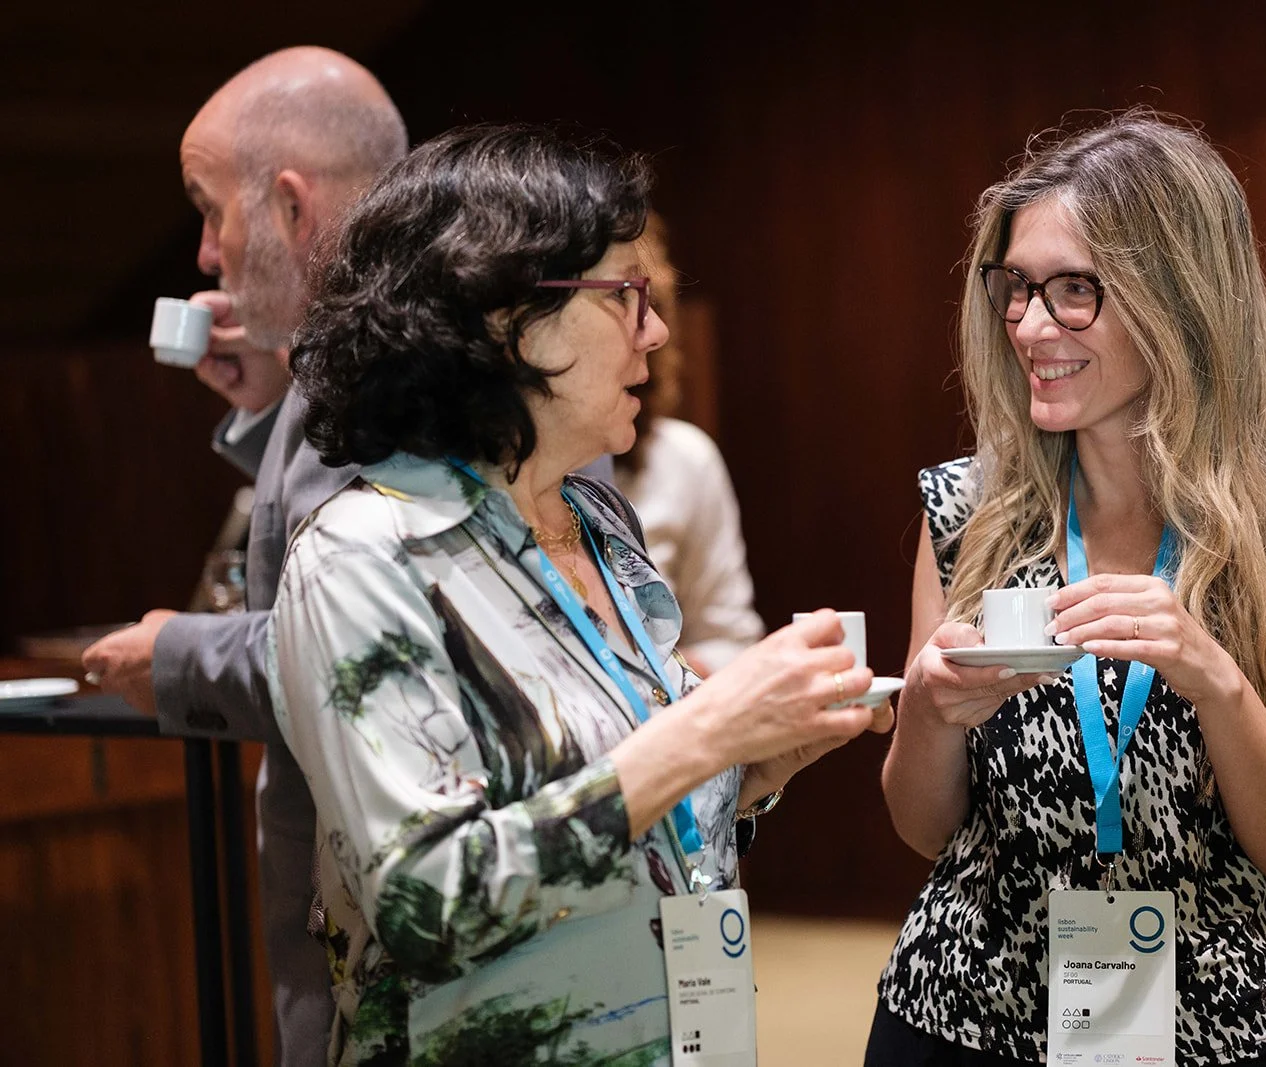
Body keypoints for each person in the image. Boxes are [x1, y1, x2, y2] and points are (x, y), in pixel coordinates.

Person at [269, 123, 891, 1066]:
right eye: (627, 294)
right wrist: (711, 728)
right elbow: (433, 897)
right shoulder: (362, 557)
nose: (658, 328)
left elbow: (639, 793)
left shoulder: (598, 524)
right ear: (506, 315)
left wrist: (767, 752)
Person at [871, 111, 1266, 1066]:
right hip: (961, 1016)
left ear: (1177, 301)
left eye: (1074, 292)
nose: (1028, 324)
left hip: (1219, 1030)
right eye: (1016, 288)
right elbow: (922, 827)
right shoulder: (967, 513)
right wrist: (932, 716)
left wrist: (1217, 684)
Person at [81, 47, 408, 1065]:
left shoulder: (392, 368)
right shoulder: (373, 344)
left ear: (292, 206)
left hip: (390, 943)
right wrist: (264, 402)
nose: (207, 253)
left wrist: (173, 656)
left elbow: (367, 653)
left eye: (212, 209)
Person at [615, 214, 765, 674]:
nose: (652, 332)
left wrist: (655, 673)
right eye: (619, 302)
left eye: (644, 304)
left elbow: (732, 642)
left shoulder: (681, 458)